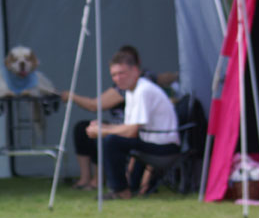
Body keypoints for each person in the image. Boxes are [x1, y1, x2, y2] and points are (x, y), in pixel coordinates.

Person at [61, 45, 177, 190]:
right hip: (149, 142)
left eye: (121, 73)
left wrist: (104, 131)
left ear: (135, 70)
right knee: (103, 135)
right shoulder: (130, 90)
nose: (117, 78)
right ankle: (118, 185)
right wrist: (105, 127)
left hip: (163, 147)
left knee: (112, 141)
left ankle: (119, 189)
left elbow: (131, 131)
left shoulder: (143, 90)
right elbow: (130, 128)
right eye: (114, 75)